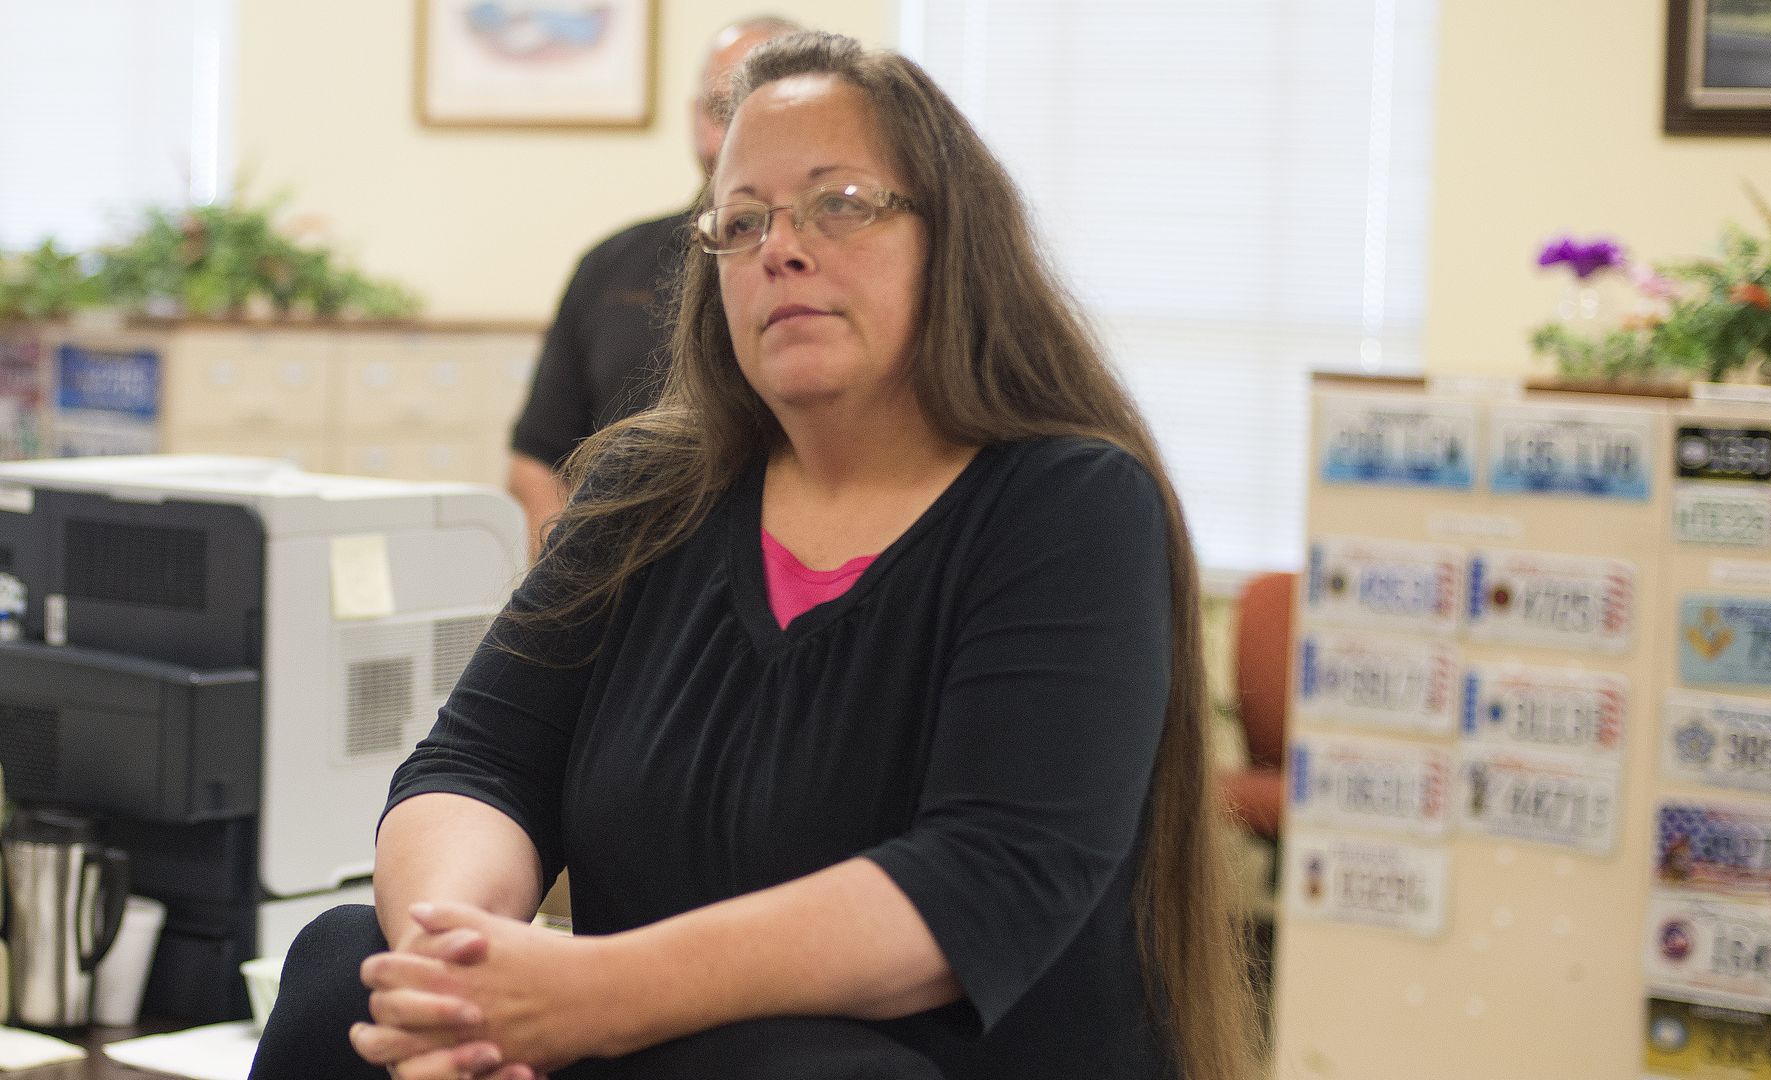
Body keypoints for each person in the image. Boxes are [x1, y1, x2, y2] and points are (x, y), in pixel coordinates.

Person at [251, 31, 1257, 1080]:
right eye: (740, 223)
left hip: (898, 1061)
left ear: (954, 242)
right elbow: (480, 765)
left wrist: (591, 995)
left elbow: (982, 883)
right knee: (343, 969)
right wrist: (454, 966)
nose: (781, 247)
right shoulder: (645, 493)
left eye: (841, 203)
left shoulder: (1069, 506)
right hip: (657, 1042)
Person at [508, 15, 803, 557]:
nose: (741, 135)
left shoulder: (828, 270)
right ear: (695, 119)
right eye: (723, 110)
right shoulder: (611, 265)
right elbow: (538, 461)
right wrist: (570, 595)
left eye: (768, 112)